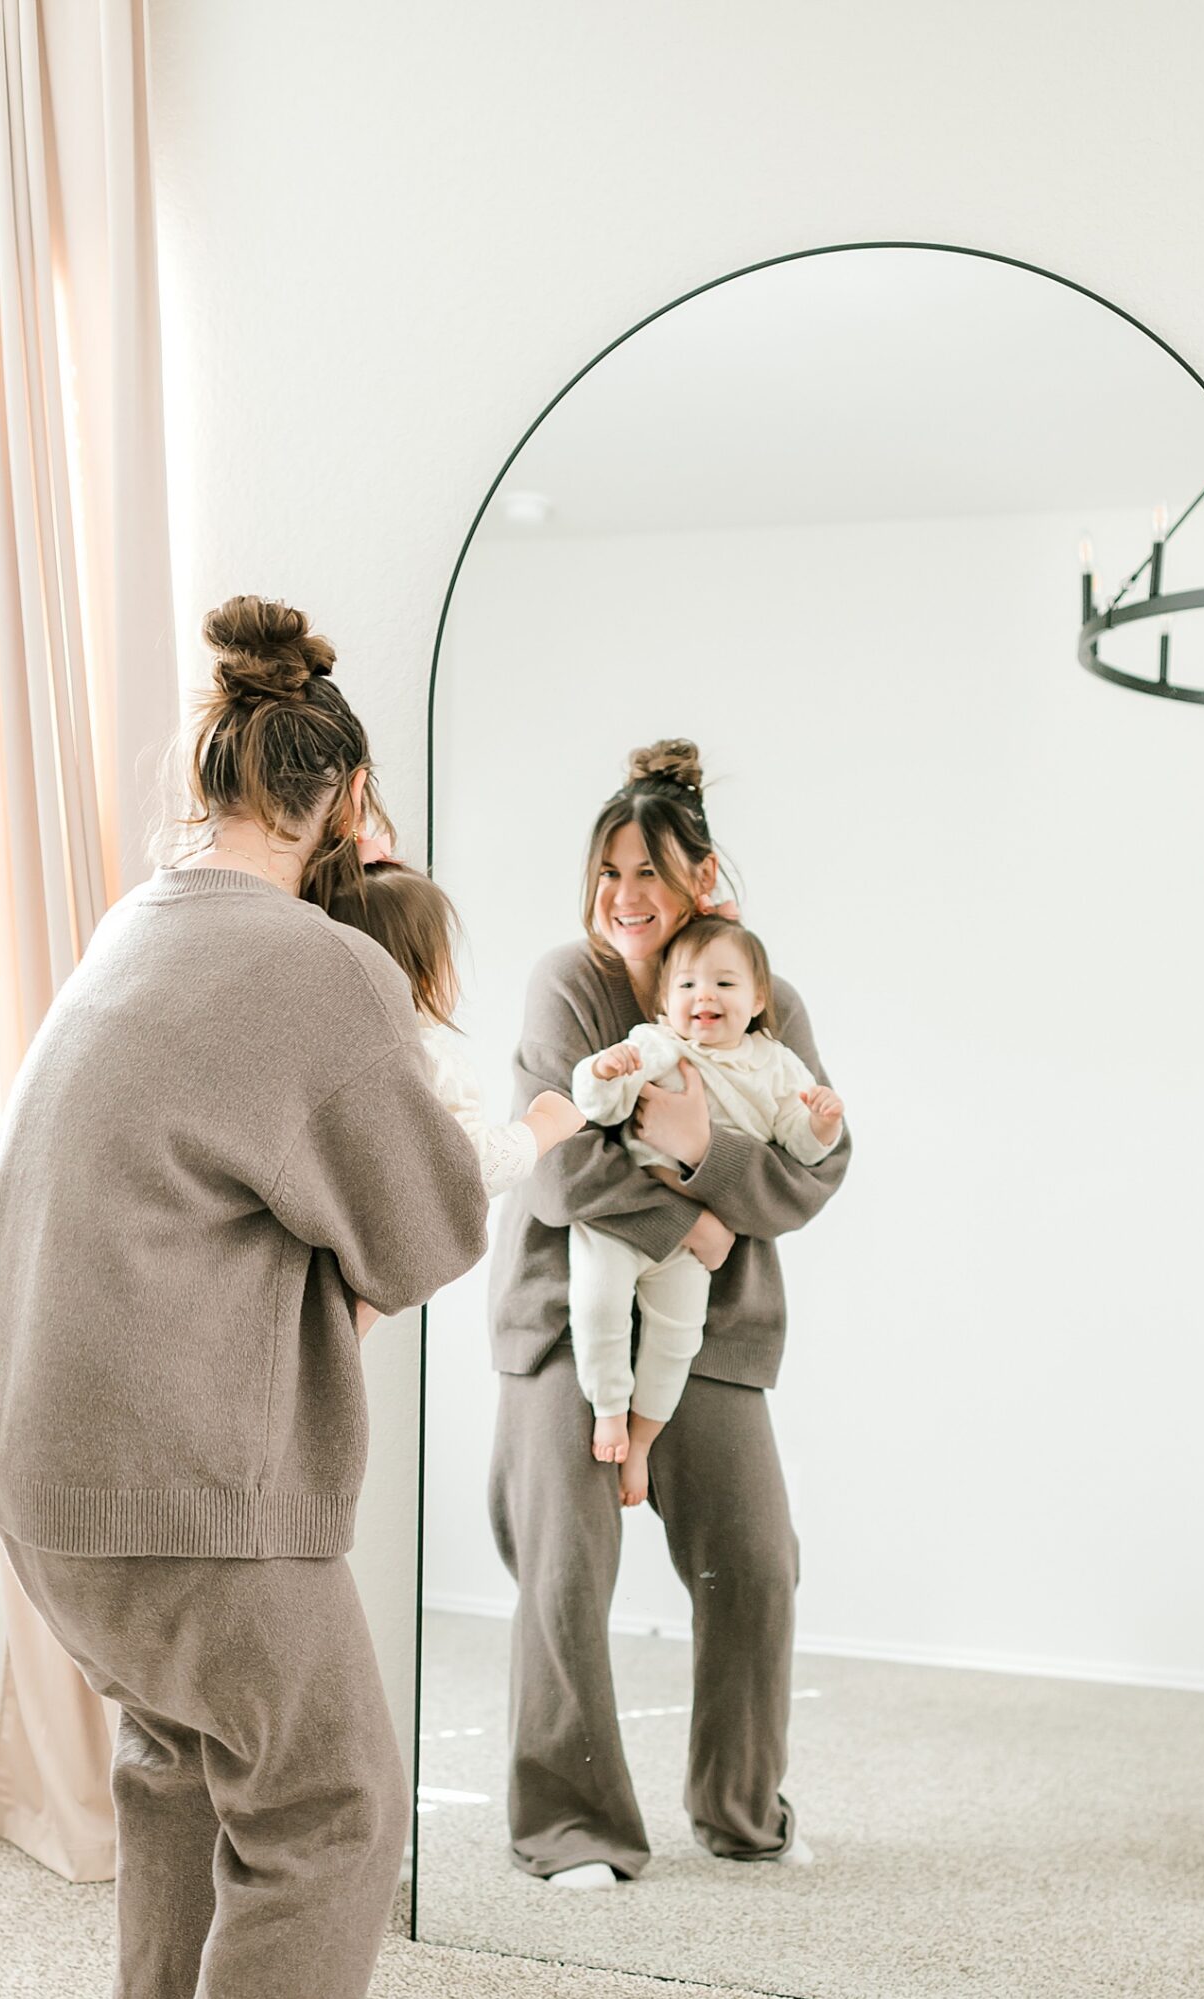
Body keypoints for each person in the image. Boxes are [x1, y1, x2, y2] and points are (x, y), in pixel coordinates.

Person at [0, 596, 490, 1999]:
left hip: (41, 1468)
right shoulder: (319, 970)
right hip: (177, 1482)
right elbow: (421, 1236)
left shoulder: (139, 924)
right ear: (345, 809)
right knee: (331, 1809)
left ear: (212, 772)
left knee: (182, 1763)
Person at [488, 739, 850, 1890]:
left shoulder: (764, 992)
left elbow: (816, 1169)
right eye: (607, 871)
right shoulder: (569, 983)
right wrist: (697, 1211)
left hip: (716, 1329)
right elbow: (553, 1172)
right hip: (566, 1317)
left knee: (755, 1562)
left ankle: (742, 1813)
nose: (624, 897)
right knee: (563, 1570)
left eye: (649, 871)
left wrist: (706, 1156)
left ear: (701, 879)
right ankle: (571, 1826)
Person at [569, 914, 845, 1504]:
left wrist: (819, 1123)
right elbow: (599, 1103)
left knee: (677, 1337)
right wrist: (602, 1071)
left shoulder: (775, 1065)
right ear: (666, 1001)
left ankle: (641, 1440)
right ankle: (610, 1409)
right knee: (598, 1303)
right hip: (626, 1217)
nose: (705, 997)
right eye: (688, 986)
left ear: (758, 997)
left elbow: (797, 1141)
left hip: (691, 1244)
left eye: (724, 983)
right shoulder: (656, 1044)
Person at [326, 859, 586, 1197]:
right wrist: (543, 1126)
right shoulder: (427, 1058)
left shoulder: (337, 1052)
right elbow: (471, 1168)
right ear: (425, 977)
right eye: (447, 955)